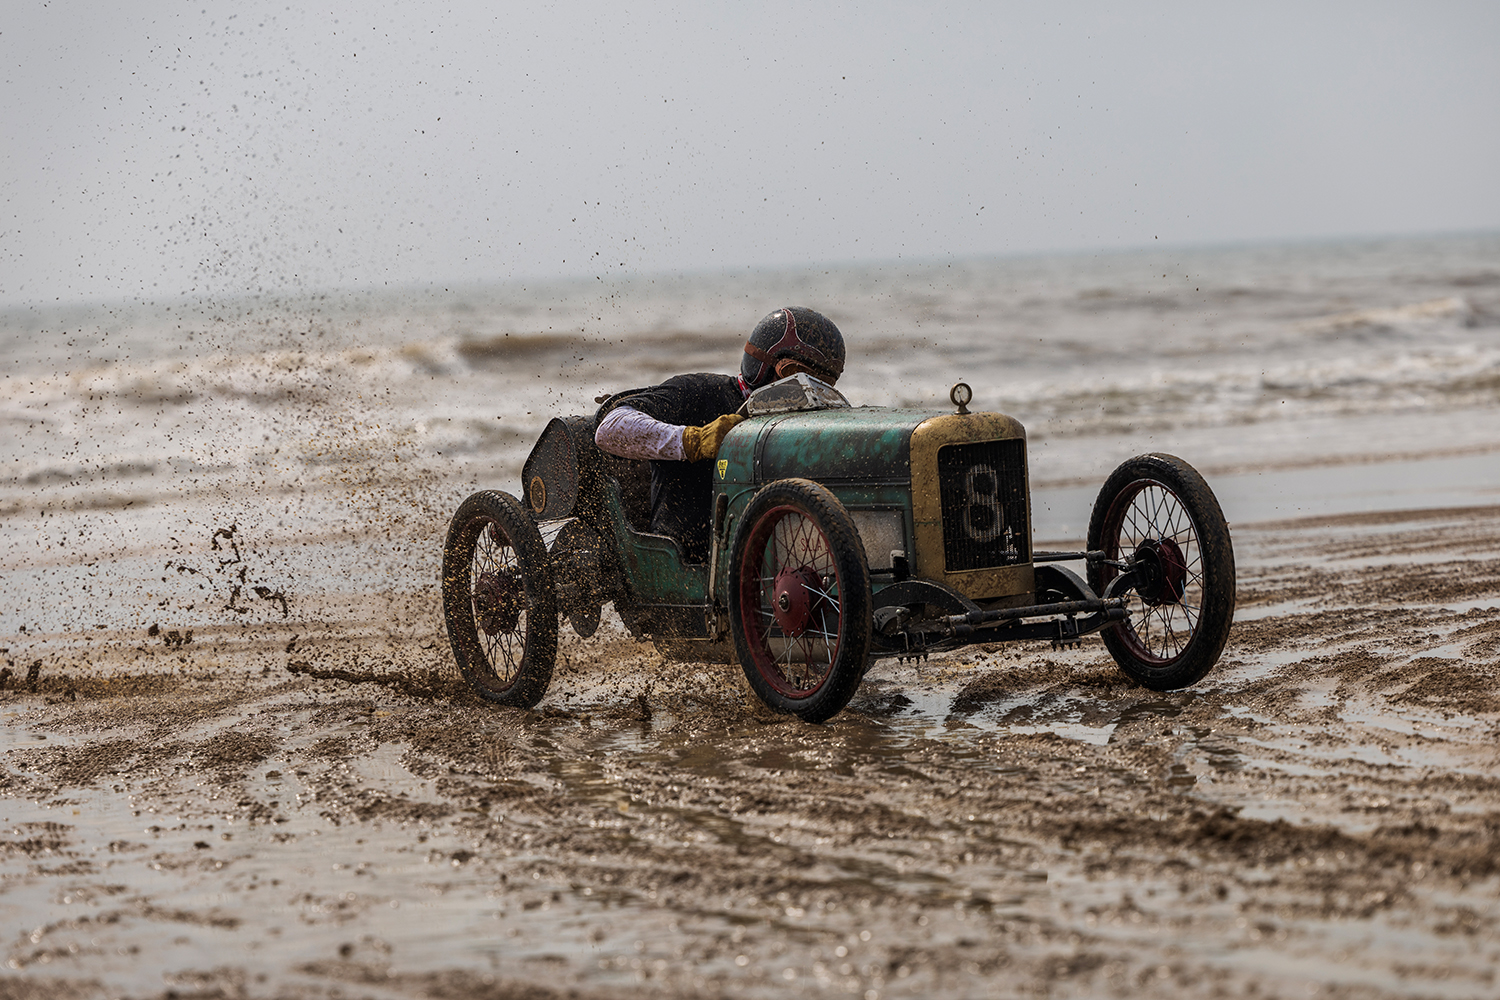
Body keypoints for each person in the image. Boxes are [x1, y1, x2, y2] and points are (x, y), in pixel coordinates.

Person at [594, 306, 846, 561]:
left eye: (822, 384)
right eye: (798, 376)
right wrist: (694, 441)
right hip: (686, 557)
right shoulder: (699, 392)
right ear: (776, 368)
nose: (809, 391)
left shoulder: (801, 425)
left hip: (767, 561)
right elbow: (610, 428)